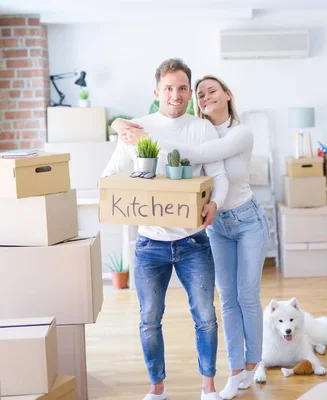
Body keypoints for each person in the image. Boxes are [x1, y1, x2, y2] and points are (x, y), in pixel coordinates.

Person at [112, 75, 270, 399]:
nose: (205, 96)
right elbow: (124, 128)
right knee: (226, 299)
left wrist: (149, 138)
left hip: (248, 220)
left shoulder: (240, 132)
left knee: (246, 295)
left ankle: (254, 364)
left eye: (211, 90)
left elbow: (199, 155)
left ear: (228, 94)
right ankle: (236, 370)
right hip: (216, 226)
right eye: (200, 94)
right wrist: (120, 126)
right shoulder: (202, 129)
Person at [101, 59, 230, 400]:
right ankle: (157, 389)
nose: (176, 95)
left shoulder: (201, 128)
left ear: (190, 92)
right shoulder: (136, 127)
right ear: (156, 92)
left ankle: (208, 387)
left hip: (193, 242)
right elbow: (113, 170)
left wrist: (214, 202)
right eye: (169, 88)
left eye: (182, 88)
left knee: (205, 316)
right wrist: (107, 189)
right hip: (150, 243)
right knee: (149, 319)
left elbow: (218, 174)